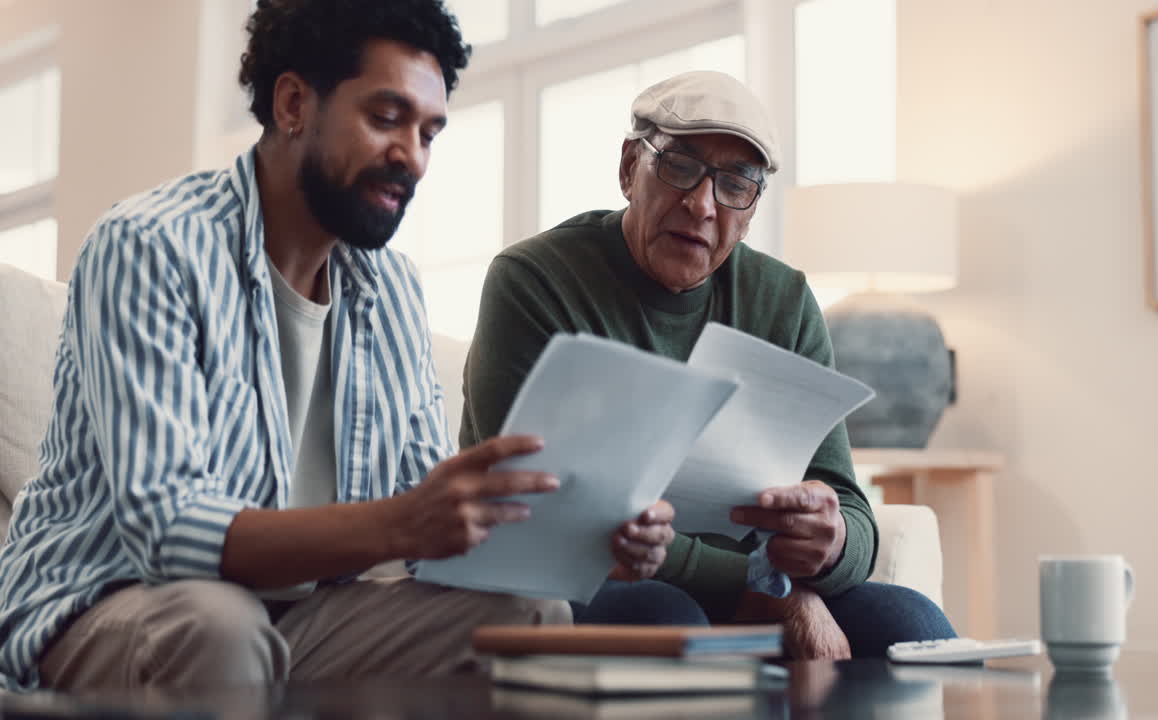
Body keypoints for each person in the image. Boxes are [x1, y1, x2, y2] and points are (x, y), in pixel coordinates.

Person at [0, 0, 675, 693]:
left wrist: (583, 541)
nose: (411, 156)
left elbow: (426, 515)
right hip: (107, 605)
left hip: (302, 616)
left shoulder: (392, 291)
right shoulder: (150, 246)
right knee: (221, 627)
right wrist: (403, 524)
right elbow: (169, 531)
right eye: (386, 118)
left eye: (429, 132)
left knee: (530, 616)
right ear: (294, 103)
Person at [460, 71, 956, 658]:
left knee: (908, 621)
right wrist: (762, 591)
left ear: (750, 212)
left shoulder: (784, 299)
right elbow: (533, 507)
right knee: (666, 617)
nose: (701, 204)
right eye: (678, 166)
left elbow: (846, 502)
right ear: (627, 169)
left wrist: (834, 540)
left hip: (746, 581)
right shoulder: (534, 281)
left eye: (735, 184)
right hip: (580, 571)